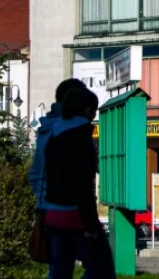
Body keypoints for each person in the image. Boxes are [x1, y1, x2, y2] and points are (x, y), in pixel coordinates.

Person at [44, 87, 115, 279]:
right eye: (94, 110)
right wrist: (91, 225)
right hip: (76, 216)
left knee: (60, 272)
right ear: (86, 111)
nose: (93, 115)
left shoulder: (54, 135)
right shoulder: (81, 138)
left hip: (53, 215)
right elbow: (82, 184)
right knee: (102, 269)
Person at [28, 79, 87, 279]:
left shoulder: (45, 129)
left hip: (48, 211)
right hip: (71, 211)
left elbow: (34, 174)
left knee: (58, 267)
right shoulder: (74, 128)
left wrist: (44, 200)